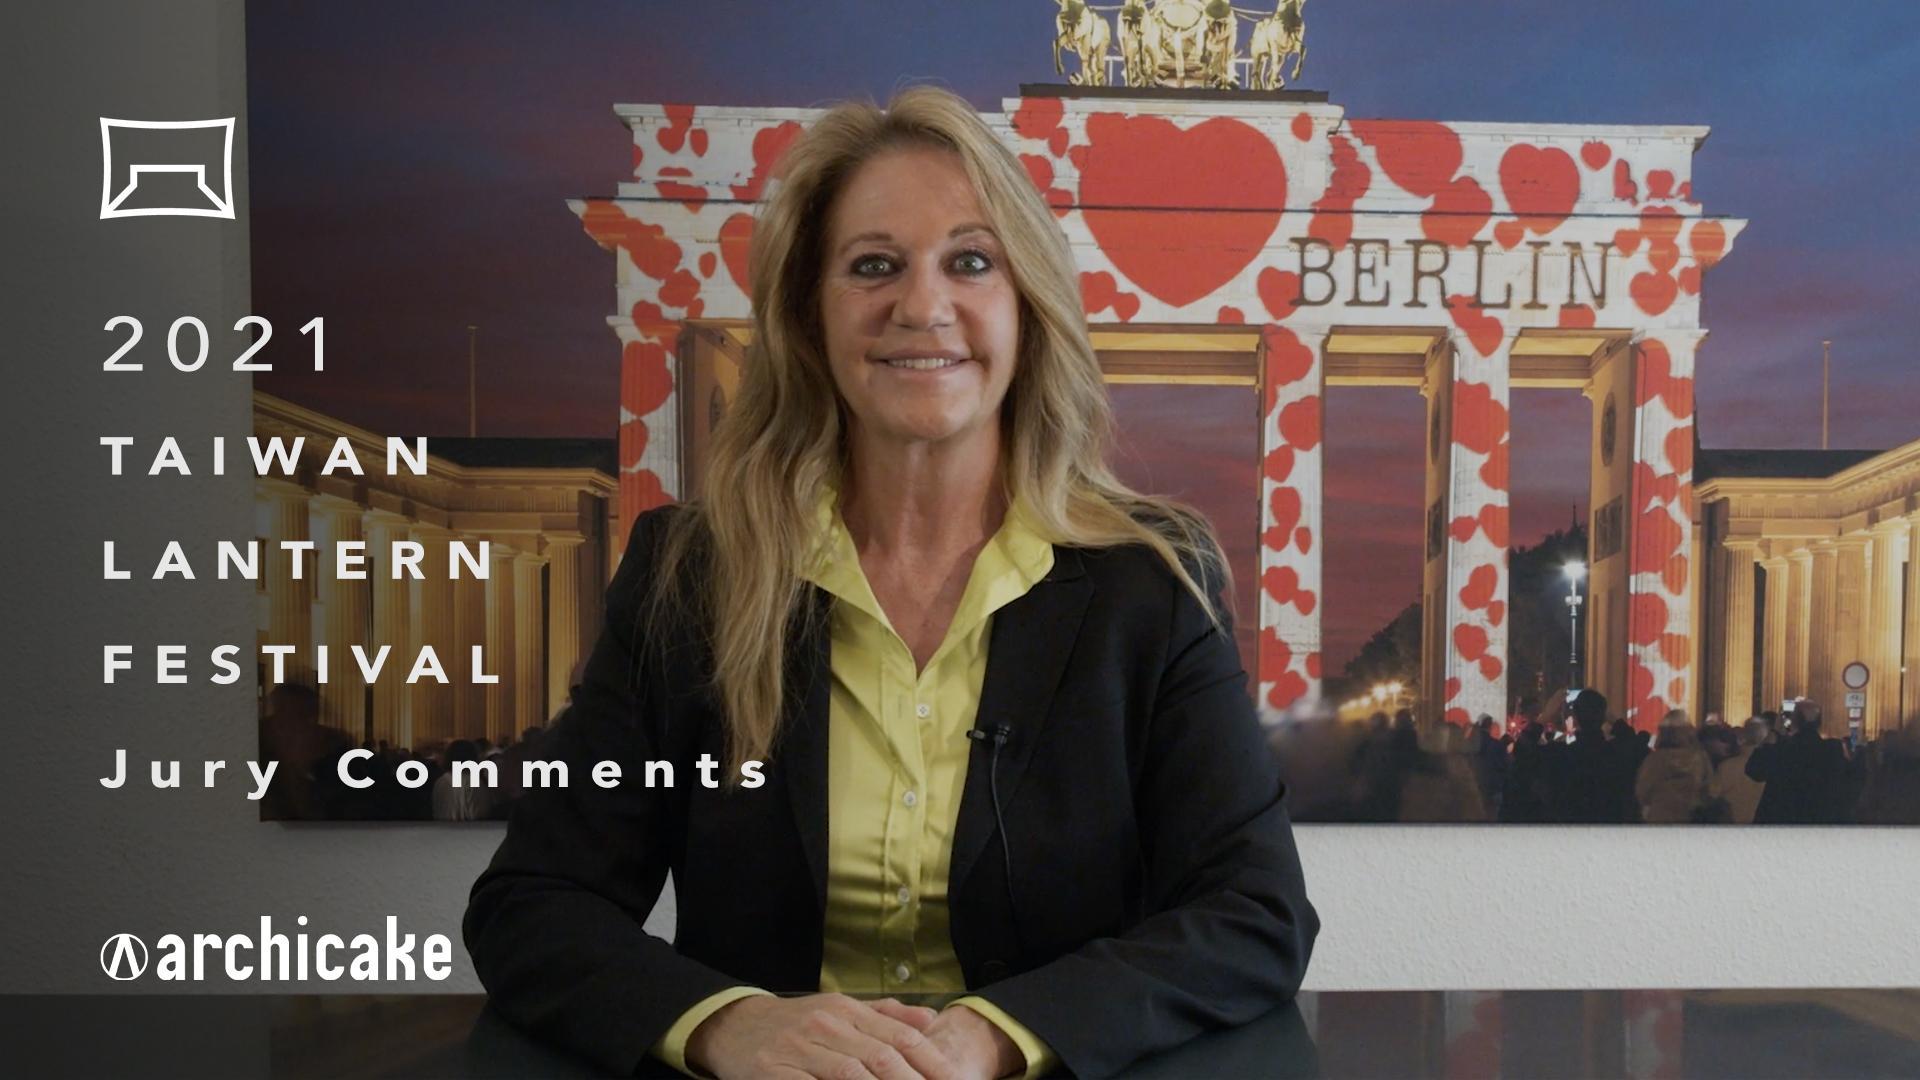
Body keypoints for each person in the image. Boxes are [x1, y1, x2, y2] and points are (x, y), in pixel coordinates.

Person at [463, 86, 1319, 1080]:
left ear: (1028, 304)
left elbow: (1254, 912)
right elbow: (533, 904)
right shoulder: (688, 575)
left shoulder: (1154, 581)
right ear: (808, 315)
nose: (922, 305)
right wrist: (729, 1024)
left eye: (971, 261)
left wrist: (997, 1034)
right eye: (873, 265)